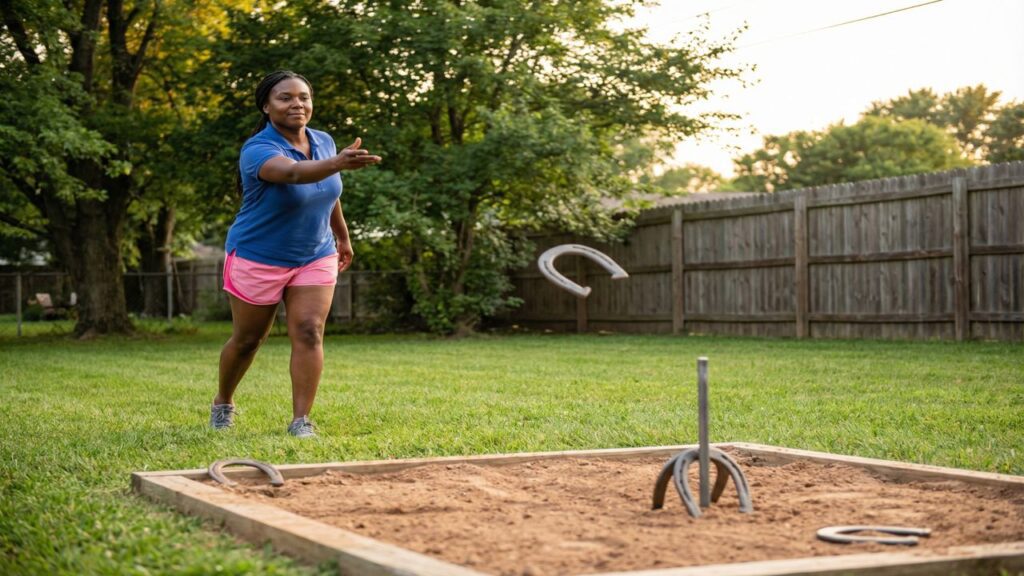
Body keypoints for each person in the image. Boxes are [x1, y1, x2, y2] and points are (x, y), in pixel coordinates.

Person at [210, 70, 380, 438]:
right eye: (285, 98)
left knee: (308, 330)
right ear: (267, 106)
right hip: (259, 255)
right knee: (248, 340)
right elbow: (292, 175)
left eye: (303, 96)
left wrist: (342, 236)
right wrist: (336, 163)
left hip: (314, 253)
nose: (296, 104)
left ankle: (301, 420)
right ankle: (223, 401)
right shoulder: (258, 149)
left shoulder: (324, 141)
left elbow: (327, 191)